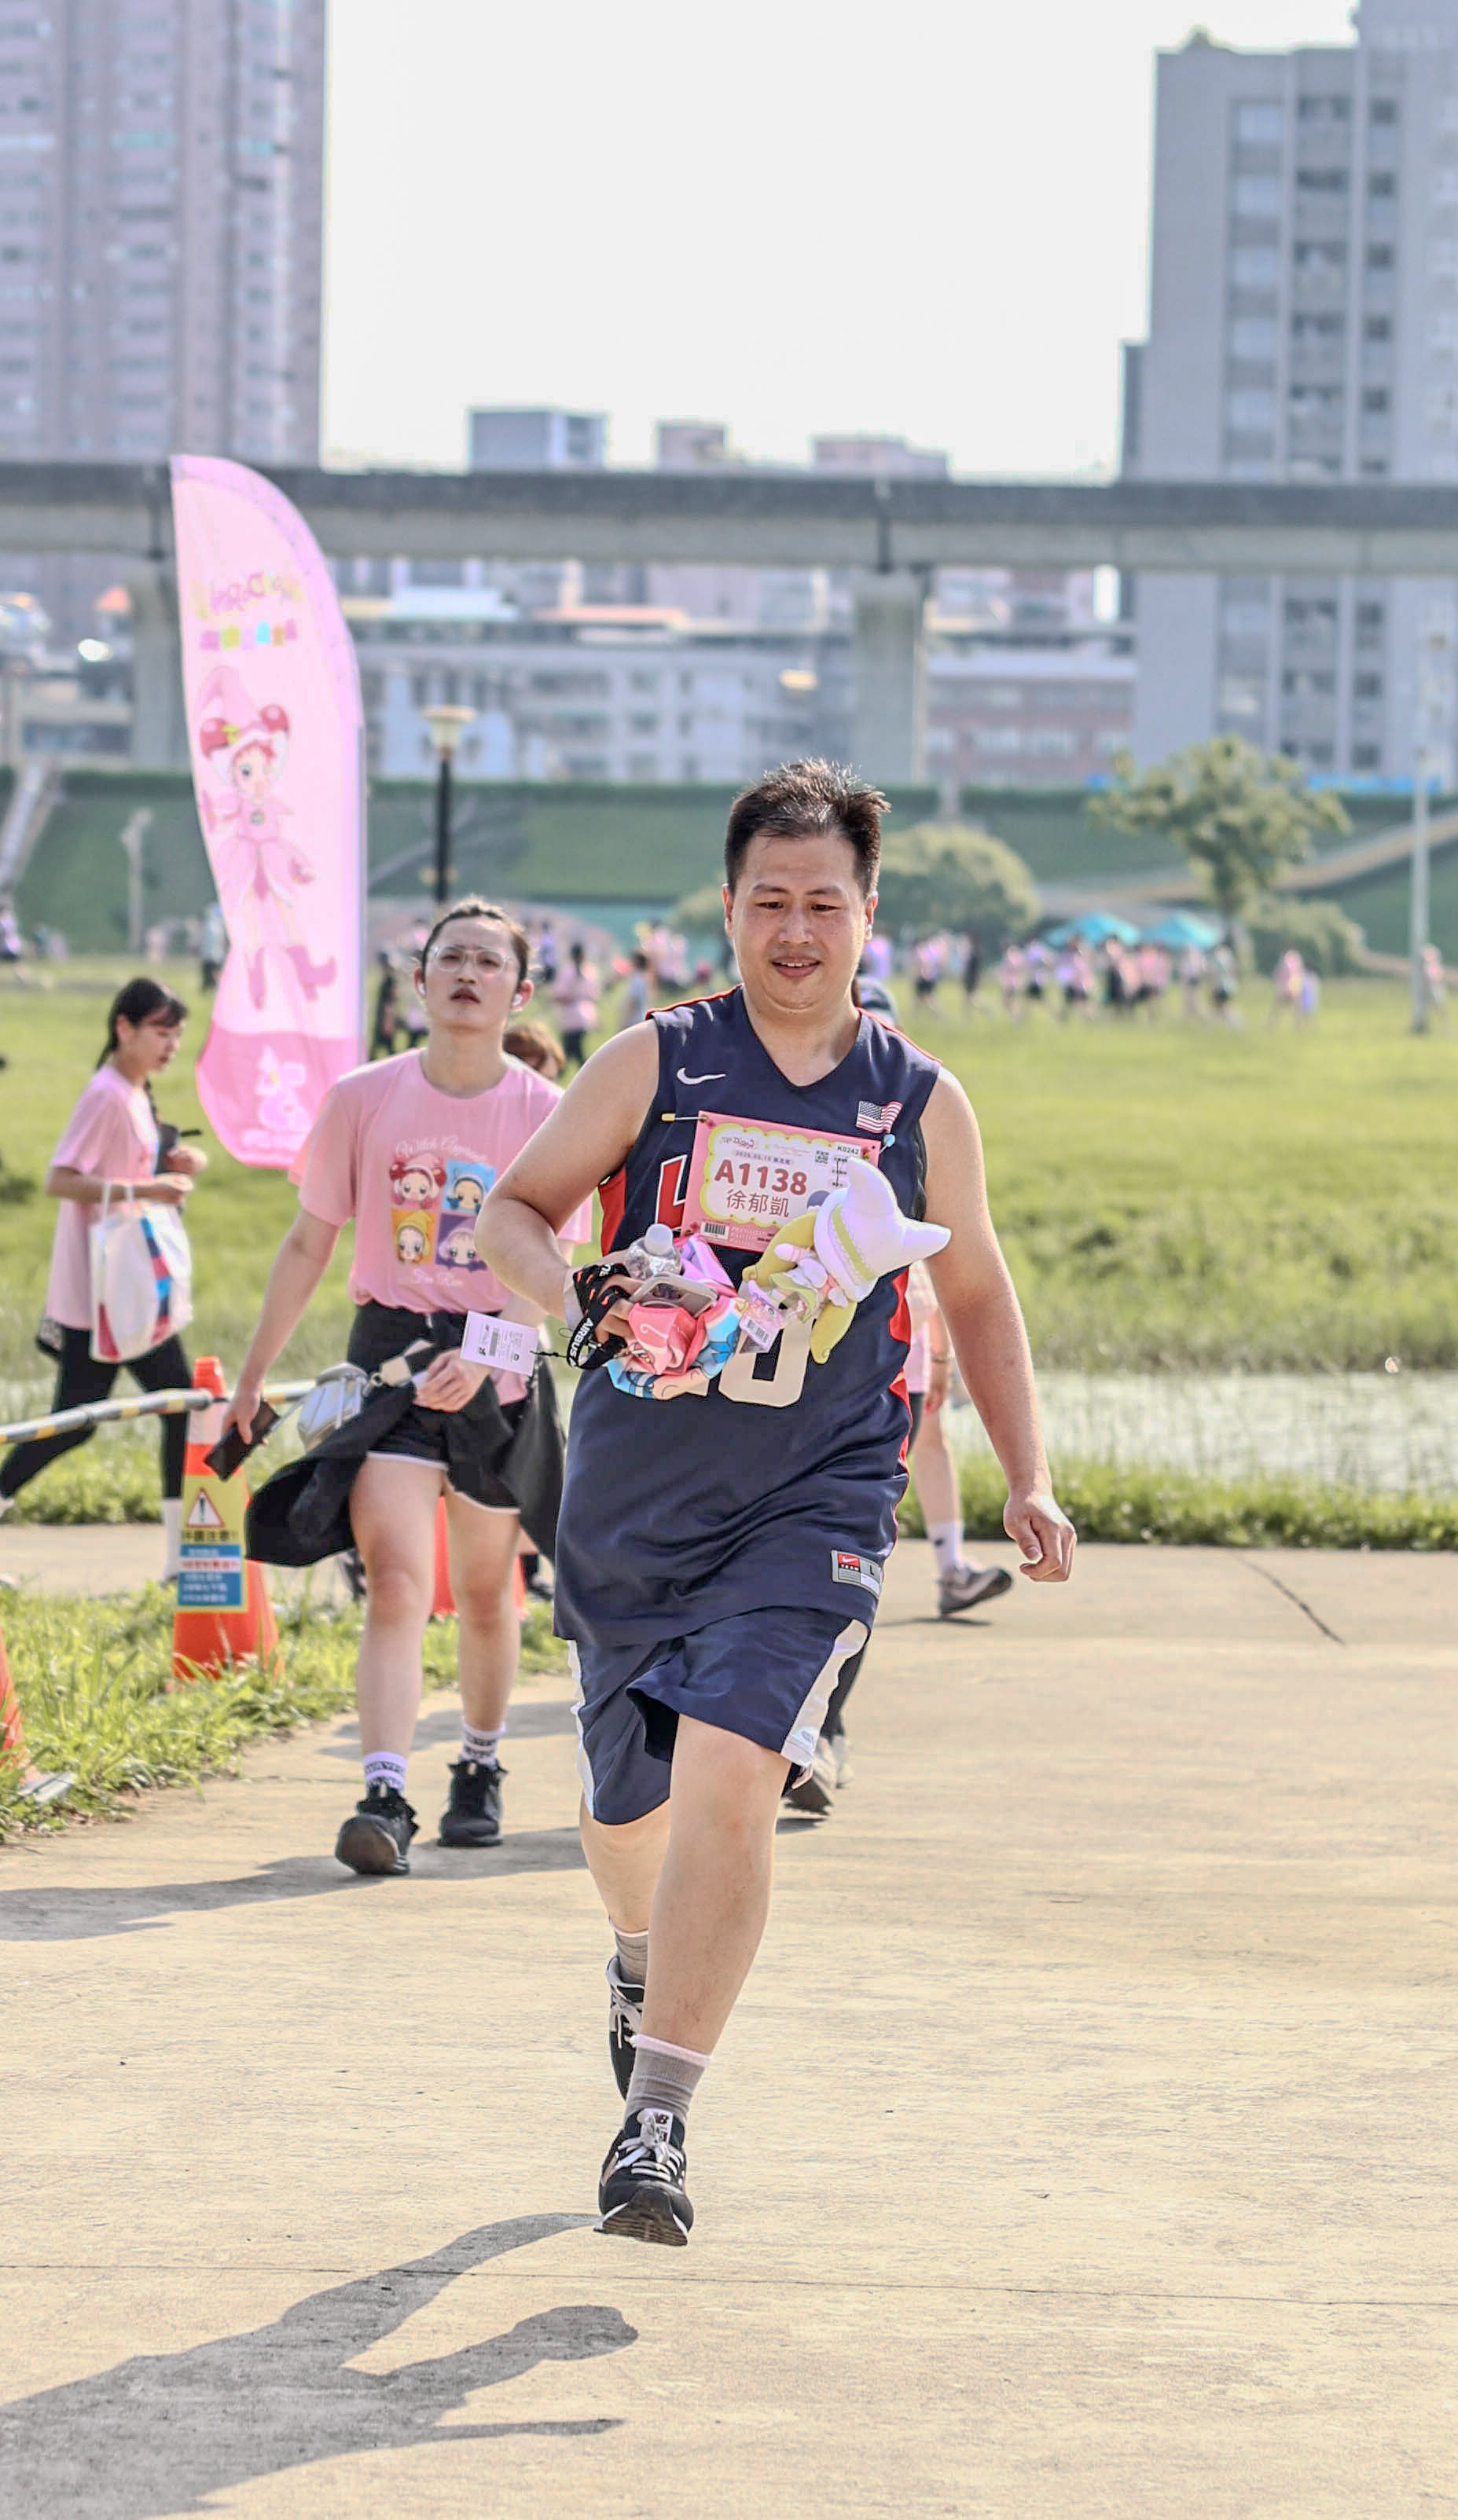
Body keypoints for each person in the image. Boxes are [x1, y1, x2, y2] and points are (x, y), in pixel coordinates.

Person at [476, 758, 1074, 2248]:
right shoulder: (656, 1061)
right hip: (637, 1491)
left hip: (821, 1487)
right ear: (729, 908)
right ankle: (637, 1957)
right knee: (628, 1816)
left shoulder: (918, 1098)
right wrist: (579, 1290)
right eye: (767, 902)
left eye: (823, 902)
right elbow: (511, 1210)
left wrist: (1028, 1474)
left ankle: (658, 2117)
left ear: (870, 911)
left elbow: (976, 1290)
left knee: (739, 1764)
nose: (794, 930)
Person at [222, 899, 589, 1876]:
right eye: (449, 958)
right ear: (418, 980)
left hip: (498, 1356)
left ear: (520, 990)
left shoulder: (547, 1112)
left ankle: (479, 1764)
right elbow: (309, 1241)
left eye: (488, 962)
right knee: (395, 1582)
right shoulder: (362, 1098)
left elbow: (554, 1267)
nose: (467, 974)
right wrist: (251, 1377)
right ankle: (383, 1795)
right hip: (389, 1355)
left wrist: (492, 1348)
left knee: (485, 1591)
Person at [0, 978, 205, 1579]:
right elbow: (60, 1178)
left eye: (177, 1034)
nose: (171, 1045)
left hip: (126, 1287)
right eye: (161, 1031)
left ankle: (180, 1558)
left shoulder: (134, 1092)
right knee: (93, 1418)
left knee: (162, 1405)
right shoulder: (107, 1094)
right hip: (105, 1291)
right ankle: (181, 1559)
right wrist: (148, 1188)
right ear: (124, 1028)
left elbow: (125, 1167)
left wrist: (173, 1165)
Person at [553, 940, 599, 1072]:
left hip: (570, 1017)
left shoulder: (567, 972)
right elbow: (594, 995)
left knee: (570, 1051)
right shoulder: (589, 971)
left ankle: (565, 1072)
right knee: (573, 1049)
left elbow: (560, 995)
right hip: (585, 1016)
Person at [369, 950, 402, 1060]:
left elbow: (390, 1003)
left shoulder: (390, 981)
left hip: (385, 1018)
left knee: (385, 1050)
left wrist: (388, 1022)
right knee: (386, 1049)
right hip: (383, 1017)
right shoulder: (387, 979)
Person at [617, 949, 652, 1033]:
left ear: (636, 961)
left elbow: (632, 1001)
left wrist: (624, 1023)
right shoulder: (645, 979)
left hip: (633, 1022)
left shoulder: (637, 980)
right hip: (641, 1020)